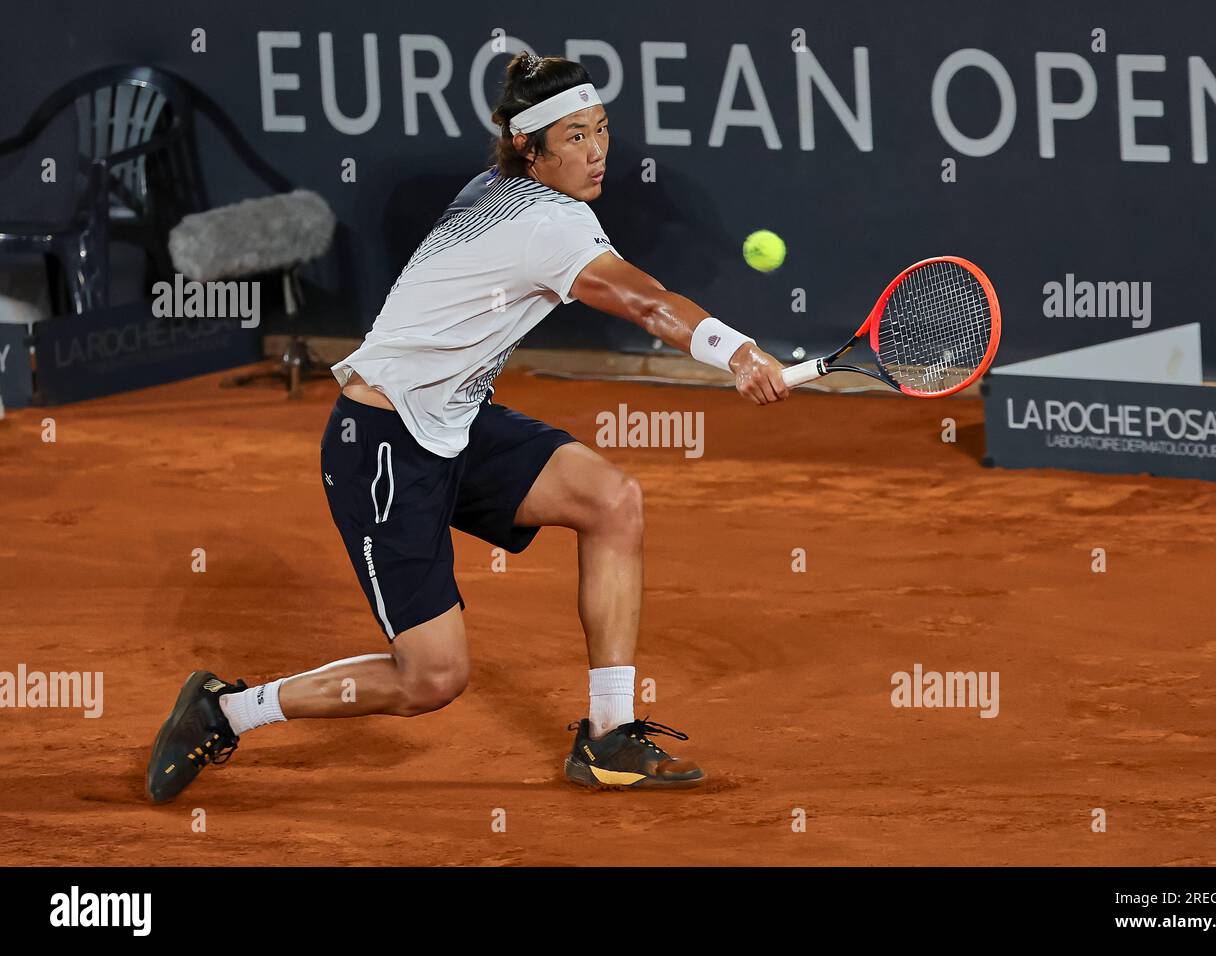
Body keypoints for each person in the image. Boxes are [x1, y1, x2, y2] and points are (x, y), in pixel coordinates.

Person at [146, 51, 790, 802]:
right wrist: (737, 352)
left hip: (454, 422)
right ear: (530, 147)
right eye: (574, 136)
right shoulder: (545, 223)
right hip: (382, 449)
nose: (597, 150)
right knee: (433, 678)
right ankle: (225, 710)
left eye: (601, 130)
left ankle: (609, 737)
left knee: (611, 500)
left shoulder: (504, 190)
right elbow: (646, 303)